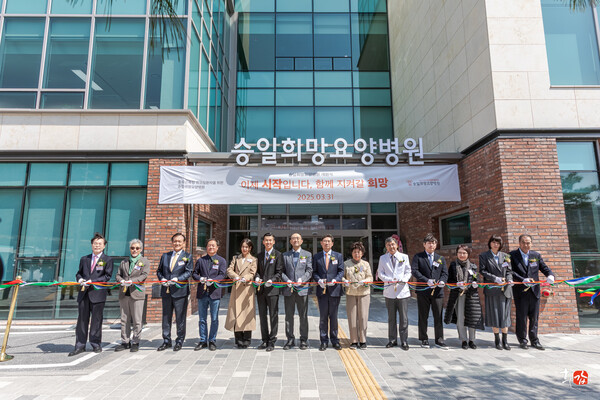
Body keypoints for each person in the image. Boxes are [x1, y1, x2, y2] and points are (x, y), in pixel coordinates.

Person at [69, 233, 113, 356]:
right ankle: (80, 345)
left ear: (104, 246)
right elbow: (79, 273)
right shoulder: (85, 259)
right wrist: (80, 279)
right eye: (95, 243)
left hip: (98, 294)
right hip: (84, 293)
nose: (97, 245)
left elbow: (107, 276)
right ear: (91, 245)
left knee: (96, 321)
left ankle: (95, 344)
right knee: (82, 321)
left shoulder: (107, 259)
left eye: (99, 243)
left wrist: (92, 281)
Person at [510, 234, 555, 350]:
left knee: (534, 317)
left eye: (528, 243)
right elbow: (510, 271)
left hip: (534, 291)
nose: (526, 245)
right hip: (521, 291)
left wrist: (550, 275)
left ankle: (534, 340)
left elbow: (544, 268)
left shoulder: (536, 255)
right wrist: (522, 279)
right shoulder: (512, 255)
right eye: (524, 242)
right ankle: (522, 340)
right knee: (521, 317)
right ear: (519, 243)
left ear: (531, 243)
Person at [411, 233, 448, 348]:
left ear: (436, 245)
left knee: (438, 316)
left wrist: (442, 281)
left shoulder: (440, 258)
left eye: (433, 243)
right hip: (423, 291)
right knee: (423, 316)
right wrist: (426, 280)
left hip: (437, 292)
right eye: (429, 243)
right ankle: (424, 338)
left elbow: (445, 273)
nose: (431, 245)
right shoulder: (418, 257)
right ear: (424, 244)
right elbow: (415, 271)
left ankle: (439, 339)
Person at [157, 233, 193, 352]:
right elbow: (159, 271)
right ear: (172, 242)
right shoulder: (165, 256)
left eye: (179, 241)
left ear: (184, 243)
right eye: (175, 241)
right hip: (166, 291)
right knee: (166, 317)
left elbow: (189, 272)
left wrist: (178, 279)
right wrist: (162, 279)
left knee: (180, 318)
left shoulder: (187, 256)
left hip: (180, 291)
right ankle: (166, 340)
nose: (177, 243)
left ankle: (179, 341)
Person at [444, 245, 484, 349]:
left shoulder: (473, 266)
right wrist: (456, 284)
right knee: (460, 318)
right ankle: (463, 340)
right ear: (457, 254)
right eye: (460, 253)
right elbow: (449, 280)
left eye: (464, 253)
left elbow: (477, 279)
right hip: (458, 295)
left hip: (471, 295)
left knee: (472, 318)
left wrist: (475, 283)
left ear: (468, 254)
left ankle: (472, 340)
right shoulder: (453, 266)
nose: (462, 255)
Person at [115, 239, 149, 353]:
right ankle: (125, 341)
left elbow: (144, 275)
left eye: (137, 248)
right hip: (124, 293)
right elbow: (118, 275)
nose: (134, 250)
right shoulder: (124, 262)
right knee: (124, 319)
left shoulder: (144, 261)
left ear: (141, 249)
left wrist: (132, 281)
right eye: (132, 248)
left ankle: (136, 342)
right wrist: (121, 280)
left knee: (137, 320)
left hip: (137, 293)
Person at [192, 238, 227, 351]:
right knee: (202, 319)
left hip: (214, 293)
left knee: (214, 318)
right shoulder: (201, 260)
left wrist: (214, 280)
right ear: (206, 247)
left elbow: (222, 274)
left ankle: (212, 340)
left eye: (213, 245)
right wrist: (200, 278)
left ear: (217, 247)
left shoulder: (221, 260)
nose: (211, 247)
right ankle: (203, 340)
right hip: (202, 293)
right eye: (209, 245)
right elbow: (194, 274)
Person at [479, 235, 513, 350]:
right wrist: (495, 278)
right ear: (490, 243)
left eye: (498, 243)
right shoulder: (484, 256)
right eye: (493, 242)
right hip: (492, 289)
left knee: (504, 316)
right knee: (494, 315)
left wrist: (509, 279)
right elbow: (482, 271)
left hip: (505, 290)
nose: (495, 244)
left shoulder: (506, 256)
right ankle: (497, 340)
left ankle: (505, 340)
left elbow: (509, 271)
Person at [377, 237, 411, 351]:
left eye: (392, 244)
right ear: (386, 247)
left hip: (402, 291)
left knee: (404, 318)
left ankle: (404, 340)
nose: (391, 247)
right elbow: (380, 273)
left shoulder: (404, 257)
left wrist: (403, 280)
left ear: (396, 245)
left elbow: (408, 271)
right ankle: (392, 340)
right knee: (391, 318)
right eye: (388, 245)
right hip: (390, 292)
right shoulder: (383, 258)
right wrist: (389, 280)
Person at [281, 233, 313, 350]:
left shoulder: (307, 254)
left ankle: (303, 340)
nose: (295, 240)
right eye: (293, 238)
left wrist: (302, 280)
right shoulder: (285, 255)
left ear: (301, 241)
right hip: (289, 290)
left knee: (303, 316)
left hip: (302, 289)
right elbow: (281, 271)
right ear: (290, 241)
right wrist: (287, 280)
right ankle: (290, 339)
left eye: (298, 238)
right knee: (288, 316)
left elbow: (309, 270)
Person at [313, 234, 344, 351]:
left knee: (334, 316)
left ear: (332, 243)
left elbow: (341, 271)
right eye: (324, 241)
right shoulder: (317, 257)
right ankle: (324, 341)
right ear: (321, 243)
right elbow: (314, 272)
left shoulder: (338, 256)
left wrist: (336, 280)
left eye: (328, 241)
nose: (326, 243)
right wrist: (318, 280)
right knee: (323, 317)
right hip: (322, 291)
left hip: (334, 290)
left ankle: (335, 340)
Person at [225, 238, 258, 348]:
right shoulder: (236, 258)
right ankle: (238, 339)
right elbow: (229, 270)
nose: (244, 249)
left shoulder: (253, 259)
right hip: (236, 289)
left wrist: (245, 278)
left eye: (246, 247)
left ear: (250, 248)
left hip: (247, 289)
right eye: (243, 246)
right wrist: (236, 276)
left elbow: (252, 273)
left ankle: (247, 339)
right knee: (236, 313)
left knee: (247, 314)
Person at [255, 232, 283, 351]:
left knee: (273, 316)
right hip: (261, 290)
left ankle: (272, 340)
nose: (268, 242)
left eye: (270, 240)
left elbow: (279, 272)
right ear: (263, 242)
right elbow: (257, 271)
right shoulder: (260, 255)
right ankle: (264, 339)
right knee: (262, 316)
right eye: (266, 240)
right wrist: (257, 277)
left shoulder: (278, 255)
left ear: (274, 242)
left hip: (272, 290)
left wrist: (272, 280)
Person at [344, 241, 373, 350]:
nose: (356, 254)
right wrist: (344, 281)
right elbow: (342, 277)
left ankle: (363, 340)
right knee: (352, 317)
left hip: (364, 293)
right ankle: (354, 341)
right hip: (351, 293)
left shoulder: (366, 264)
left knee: (363, 316)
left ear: (362, 253)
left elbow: (370, 277)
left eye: (359, 252)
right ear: (351, 253)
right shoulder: (346, 264)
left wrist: (365, 281)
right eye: (354, 252)